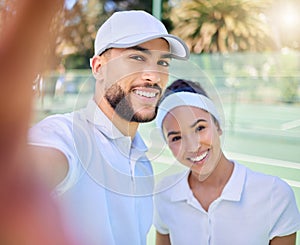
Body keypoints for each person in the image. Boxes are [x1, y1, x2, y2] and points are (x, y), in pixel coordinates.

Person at [28, 10, 189, 245]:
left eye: (162, 62)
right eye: (137, 58)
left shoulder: (143, 165)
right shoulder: (65, 135)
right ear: (98, 67)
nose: (153, 76)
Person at [154, 79, 300, 245]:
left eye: (200, 128)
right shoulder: (164, 194)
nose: (193, 146)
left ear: (218, 125)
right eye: (176, 137)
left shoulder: (275, 195)